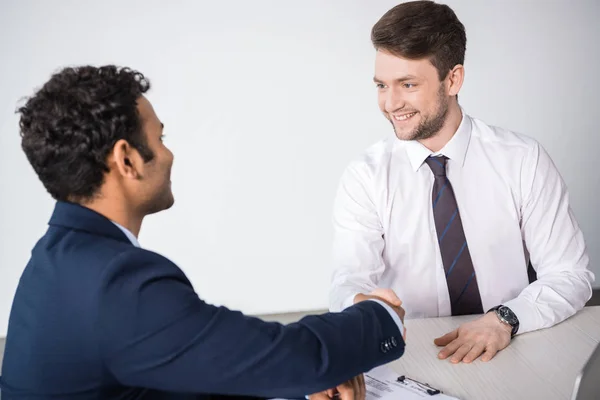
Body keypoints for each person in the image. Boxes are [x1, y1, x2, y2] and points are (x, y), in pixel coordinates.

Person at [0, 65, 407, 400]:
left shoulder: (55, 256)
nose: (168, 153)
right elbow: (287, 355)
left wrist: (294, 383)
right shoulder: (118, 282)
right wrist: (380, 315)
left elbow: (181, 368)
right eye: (159, 139)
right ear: (127, 159)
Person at [329, 0, 594, 365]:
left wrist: (505, 320)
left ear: (453, 79)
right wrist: (358, 304)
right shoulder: (366, 176)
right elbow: (349, 279)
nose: (390, 103)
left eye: (407, 84)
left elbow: (570, 274)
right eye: (381, 85)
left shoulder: (522, 159)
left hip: (514, 345)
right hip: (415, 355)